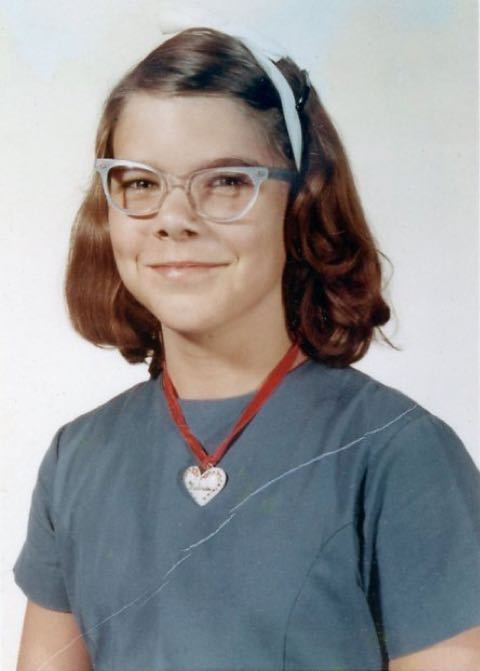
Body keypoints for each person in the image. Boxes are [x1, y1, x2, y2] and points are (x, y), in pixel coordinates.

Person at [14, 26, 480, 671]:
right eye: (141, 183)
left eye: (227, 181)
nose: (174, 218)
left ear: (300, 204)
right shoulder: (77, 457)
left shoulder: (399, 454)